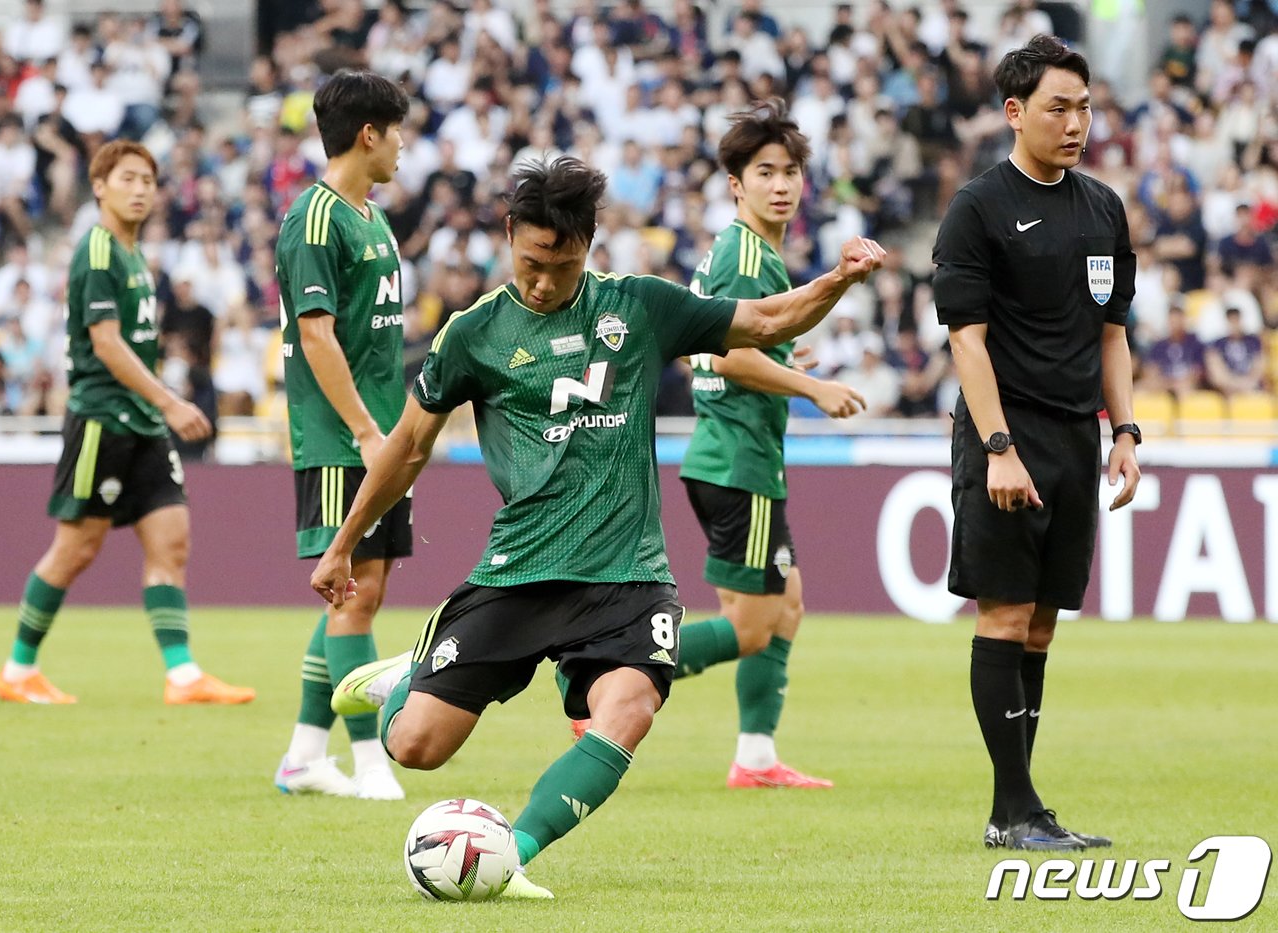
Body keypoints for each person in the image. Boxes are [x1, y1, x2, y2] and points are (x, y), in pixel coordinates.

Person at [313, 156, 884, 897]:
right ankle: (405, 678)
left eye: (563, 263)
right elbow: (409, 446)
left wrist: (836, 280)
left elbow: (767, 319)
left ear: (589, 245)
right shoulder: (473, 334)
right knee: (414, 746)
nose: (544, 281)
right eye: (531, 263)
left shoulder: (639, 306)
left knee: (629, 709)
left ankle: (508, 854)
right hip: (519, 571)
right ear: (509, 233)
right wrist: (344, 541)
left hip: (629, 575)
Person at [592, 100, 865, 790]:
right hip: (736, 459)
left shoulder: (737, 250)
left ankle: (755, 755)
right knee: (748, 626)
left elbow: (708, 349)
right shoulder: (747, 257)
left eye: (792, 171)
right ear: (736, 183)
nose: (782, 184)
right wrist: (809, 386)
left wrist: (774, 354)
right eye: (765, 171)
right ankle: (604, 676)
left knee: (788, 603)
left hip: (740, 456)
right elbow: (735, 357)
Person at [931, 35, 1140, 852]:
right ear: (1015, 112)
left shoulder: (1103, 207)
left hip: (1073, 440)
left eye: (1085, 106)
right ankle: (1016, 810)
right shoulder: (979, 207)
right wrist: (998, 447)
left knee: (1044, 625)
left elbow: (1111, 335)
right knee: (1006, 613)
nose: (1076, 121)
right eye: (1059, 106)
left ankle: (1013, 810)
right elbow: (966, 342)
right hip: (1003, 434)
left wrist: (1123, 431)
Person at [0, 140, 255, 707]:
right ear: (99, 187)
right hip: (102, 420)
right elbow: (106, 344)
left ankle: (182, 676)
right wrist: (168, 402)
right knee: (76, 549)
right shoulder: (96, 251)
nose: (140, 189)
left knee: (172, 539)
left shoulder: (134, 255)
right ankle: (18, 670)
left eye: (148, 181)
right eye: (128, 179)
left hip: (140, 423)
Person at [271, 70, 412, 801]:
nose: (402, 147)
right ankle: (371, 761)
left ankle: (301, 754)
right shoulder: (315, 218)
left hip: (382, 438)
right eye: (397, 132)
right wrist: (362, 429)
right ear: (368, 134)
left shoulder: (372, 217)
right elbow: (316, 335)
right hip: (341, 440)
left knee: (364, 592)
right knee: (352, 596)